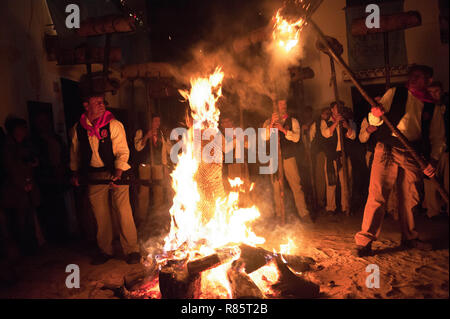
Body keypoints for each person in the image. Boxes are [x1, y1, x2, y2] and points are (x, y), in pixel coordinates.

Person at [353, 64, 443, 256]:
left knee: (410, 197)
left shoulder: (431, 107)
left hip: (412, 153)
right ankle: (364, 241)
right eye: (412, 75)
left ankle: (410, 237)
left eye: (419, 76)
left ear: (428, 81)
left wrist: (433, 161)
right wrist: (374, 115)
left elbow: (437, 137)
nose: (413, 78)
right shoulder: (395, 93)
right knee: (377, 194)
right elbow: (376, 119)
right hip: (387, 147)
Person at [70, 93, 140, 265]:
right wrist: (75, 173)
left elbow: (123, 151)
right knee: (100, 215)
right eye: (98, 102)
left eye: (103, 102)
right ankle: (106, 250)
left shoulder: (114, 125)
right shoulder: (78, 128)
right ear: (86, 105)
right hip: (94, 175)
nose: (102, 105)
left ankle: (131, 250)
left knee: (123, 212)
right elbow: (75, 153)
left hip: (117, 171)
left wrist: (118, 173)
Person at [263, 99, 312, 224]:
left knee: (296, 185)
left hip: (289, 157)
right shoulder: (268, 122)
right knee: (276, 188)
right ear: (275, 106)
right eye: (281, 104)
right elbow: (264, 137)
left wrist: (283, 130)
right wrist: (272, 125)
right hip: (274, 158)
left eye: (285, 104)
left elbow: (296, 138)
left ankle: (303, 213)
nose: (283, 106)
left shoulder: (293, 121)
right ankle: (280, 215)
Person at [0, 117, 41, 255]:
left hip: (27, 186)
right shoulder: (7, 147)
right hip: (15, 190)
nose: (24, 131)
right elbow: (10, 168)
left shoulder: (25, 145)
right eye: (21, 128)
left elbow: (30, 161)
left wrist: (32, 165)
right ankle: (23, 249)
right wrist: (22, 183)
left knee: (29, 218)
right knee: (19, 220)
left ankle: (31, 247)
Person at [33, 111, 70, 242]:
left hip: (58, 176)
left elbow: (64, 153)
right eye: (40, 122)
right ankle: (53, 236)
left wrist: (63, 167)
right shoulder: (36, 141)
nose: (44, 124)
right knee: (49, 207)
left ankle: (63, 233)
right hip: (46, 178)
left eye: (45, 121)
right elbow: (38, 159)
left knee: (60, 205)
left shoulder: (55, 138)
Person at [133, 113, 172, 229]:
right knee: (143, 192)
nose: (157, 124)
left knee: (158, 192)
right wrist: (146, 136)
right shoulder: (141, 132)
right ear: (150, 122)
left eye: (158, 121)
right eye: (155, 121)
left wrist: (165, 167)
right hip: (145, 166)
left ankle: (157, 218)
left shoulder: (161, 134)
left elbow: (166, 151)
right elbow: (137, 147)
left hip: (158, 166)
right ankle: (142, 218)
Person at [320, 101, 356, 216]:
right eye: (337, 108)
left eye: (341, 107)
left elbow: (353, 136)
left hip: (344, 156)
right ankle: (331, 208)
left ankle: (346, 207)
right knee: (331, 183)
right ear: (332, 110)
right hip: (331, 157)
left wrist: (347, 126)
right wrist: (336, 123)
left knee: (346, 182)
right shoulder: (325, 122)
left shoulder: (347, 121)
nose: (339, 109)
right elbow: (326, 133)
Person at [423, 81, 448, 219]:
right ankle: (433, 212)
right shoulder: (426, 108)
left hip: (447, 150)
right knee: (431, 182)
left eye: (437, 91)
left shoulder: (446, 108)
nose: (434, 95)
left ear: (442, 92)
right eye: (431, 92)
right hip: (430, 151)